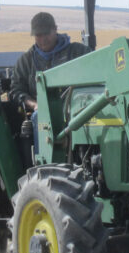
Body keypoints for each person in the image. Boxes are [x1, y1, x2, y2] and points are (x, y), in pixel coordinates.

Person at [9, 12, 89, 151]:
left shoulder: (78, 52)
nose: (42, 39)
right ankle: (45, 164)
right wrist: (35, 105)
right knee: (40, 116)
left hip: (77, 108)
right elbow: (16, 90)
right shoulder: (26, 61)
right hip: (44, 112)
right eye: (38, 35)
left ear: (55, 30)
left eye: (46, 34)